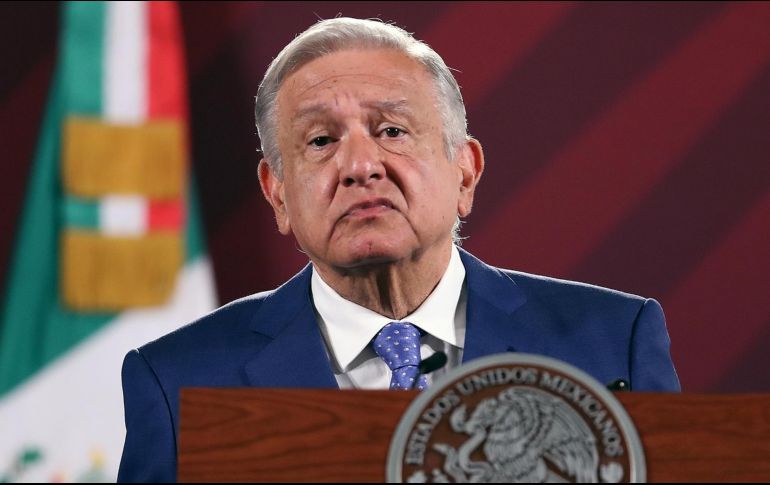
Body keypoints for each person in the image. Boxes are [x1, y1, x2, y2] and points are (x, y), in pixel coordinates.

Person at [117, 17, 679, 482]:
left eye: (391, 131)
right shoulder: (177, 382)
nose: (361, 166)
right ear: (278, 194)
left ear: (465, 172)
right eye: (320, 140)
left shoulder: (613, 343)